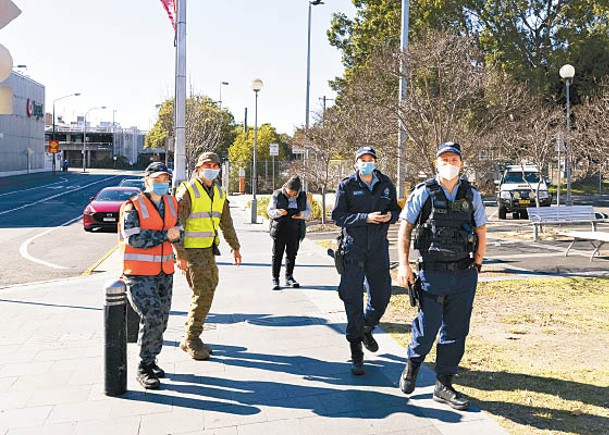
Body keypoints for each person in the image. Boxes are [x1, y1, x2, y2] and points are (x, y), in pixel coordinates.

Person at [396, 141, 487, 410]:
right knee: (428, 328)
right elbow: (405, 229)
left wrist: (478, 264)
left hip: (463, 274)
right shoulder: (423, 192)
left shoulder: (472, 195)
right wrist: (404, 265)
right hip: (432, 273)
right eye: (444, 159)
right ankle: (412, 365)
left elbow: (481, 230)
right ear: (436, 163)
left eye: (454, 160)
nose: (449, 164)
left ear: (461, 163)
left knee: (456, 332)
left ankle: (443, 385)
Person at [331, 146, 401, 375]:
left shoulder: (385, 183)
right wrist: (365, 218)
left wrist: (391, 216)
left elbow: (396, 210)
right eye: (363, 160)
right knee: (352, 299)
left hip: (378, 249)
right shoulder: (347, 185)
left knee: (382, 295)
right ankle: (356, 353)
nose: (367, 163)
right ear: (356, 162)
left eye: (371, 160)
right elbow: (337, 217)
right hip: (353, 250)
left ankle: (366, 328)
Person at [119, 162, 183, 389]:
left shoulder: (171, 202)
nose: (162, 184)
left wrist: (178, 243)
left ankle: (152, 358)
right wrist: (166, 235)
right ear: (146, 182)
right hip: (138, 274)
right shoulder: (133, 206)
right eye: (157, 180)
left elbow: (178, 230)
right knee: (153, 316)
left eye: (165, 180)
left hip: (164, 272)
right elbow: (133, 238)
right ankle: (143, 367)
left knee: (162, 320)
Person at [174, 152, 242, 360]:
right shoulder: (188, 191)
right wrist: (180, 254)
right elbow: (177, 224)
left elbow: (226, 223)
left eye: (215, 165)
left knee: (210, 287)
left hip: (208, 250)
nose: (212, 168)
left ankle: (190, 335)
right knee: (203, 291)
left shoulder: (219, 194)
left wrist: (235, 247)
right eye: (207, 165)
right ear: (198, 169)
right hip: (191, 251)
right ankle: (192, 338)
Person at [267, 175, 311, 290]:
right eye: (290, 191)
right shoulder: (277, 194)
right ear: (286, 187)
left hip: (295, 230)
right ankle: (275, 278)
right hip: (280, 229)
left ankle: (289, 277)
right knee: (277, 255)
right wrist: (278, 212)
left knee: (292, 254)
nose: (292, 194)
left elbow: (308, 212)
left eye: (294, 192)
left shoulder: (302, 196)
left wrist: (301, 215)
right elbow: (270, 212)